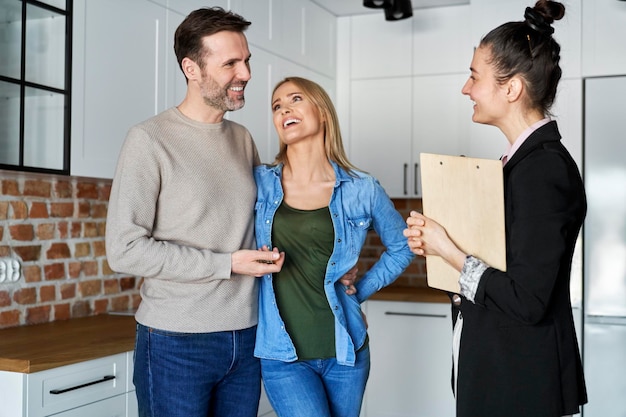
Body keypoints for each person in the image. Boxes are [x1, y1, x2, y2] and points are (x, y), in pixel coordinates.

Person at [404, 2, 587, 417]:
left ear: (511, 88)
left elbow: (527, 300)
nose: (465, 89)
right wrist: (438, 247)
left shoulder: (543, 170)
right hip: (502, 376)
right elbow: (501, 267)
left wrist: (448, 248)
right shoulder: (517, 164)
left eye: (473, 75)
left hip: (523, 385)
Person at [105, 7, 287, 417]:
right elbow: (124, 250)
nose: (246, 73)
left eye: (247, 60)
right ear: (191, 68)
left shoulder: (242, 139)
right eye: (230, 63)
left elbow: (262, 226)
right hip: (175, 341)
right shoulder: (149, 140)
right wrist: (227, 264)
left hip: (246, 335)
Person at [253, 76, 415, 417]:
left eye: (295, 99)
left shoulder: (362, 188)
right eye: (276, 106)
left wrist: (360, 289)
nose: (284, 109)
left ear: (322, 112)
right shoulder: (259, 182)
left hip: (346, 349)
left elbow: (403, 247)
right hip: (283, 355)